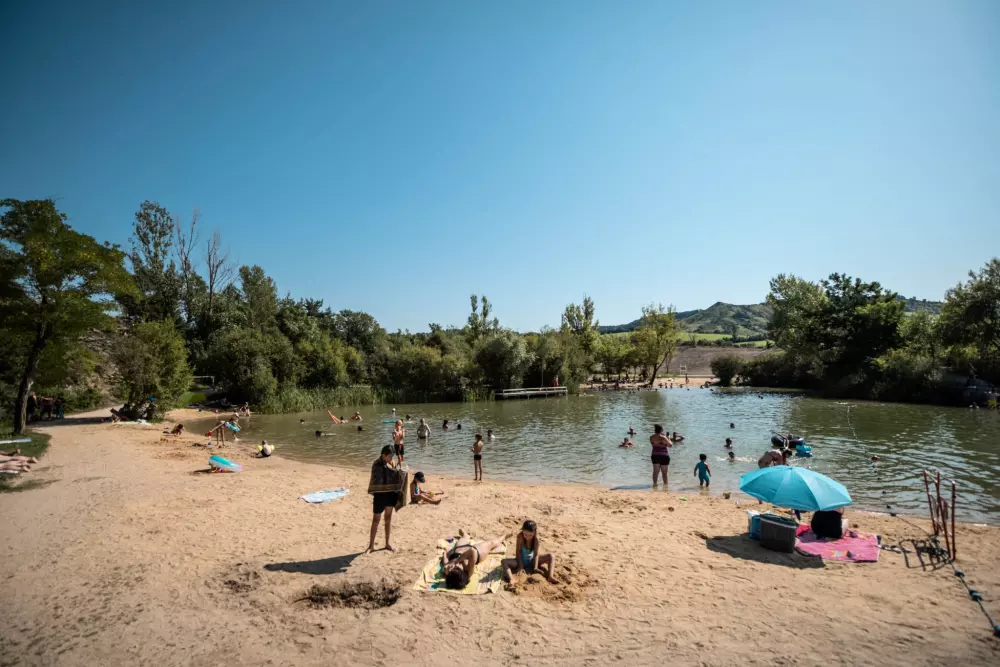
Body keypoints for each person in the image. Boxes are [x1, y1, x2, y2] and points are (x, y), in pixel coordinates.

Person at [367, 446, 404, 552]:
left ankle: (387, 543)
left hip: (390, 494)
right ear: (383, 455)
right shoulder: (376, 464)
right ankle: (371, 546)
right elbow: (376, 478)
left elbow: (397, 473)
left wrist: (398, 469)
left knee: (388, 519)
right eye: (389, 456)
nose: (391, 458)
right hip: (379, 495)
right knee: (376, 520)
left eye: (392, 456)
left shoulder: (392, 463)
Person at [442, 531, 509, 590]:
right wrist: (457, 561)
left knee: (464, 537)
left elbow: (445, 562)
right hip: (477, 552)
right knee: (492, 543)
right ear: (461, 574)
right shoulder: (468, 572)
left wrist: (444, 554)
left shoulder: (449, 572)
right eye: (457, 569)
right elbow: (472, 551)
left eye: (453, 570)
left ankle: (466, 535)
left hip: (459, 549)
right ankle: (505, 535)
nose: (454, 567)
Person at [502, 520, 557, 585]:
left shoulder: (536, 539)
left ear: (534, 532)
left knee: (551, 556)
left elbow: (536, 554)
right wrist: (521, 567)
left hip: (532, 561)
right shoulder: (520, 537)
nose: (527, 537)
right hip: (520, 561)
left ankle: (550, 576)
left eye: (530, 535)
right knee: (504, 561)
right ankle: (511, 579)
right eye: (525, 534)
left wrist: (535, 567)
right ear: (522, 531)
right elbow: (518, 552)